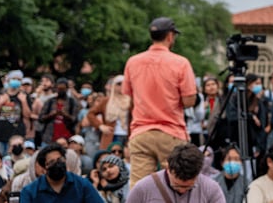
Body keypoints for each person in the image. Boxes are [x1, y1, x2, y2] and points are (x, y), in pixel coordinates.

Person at [122, 17, 198, 188]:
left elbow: (129, 97)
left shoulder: (133, 62)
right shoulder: (181, 63)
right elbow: (189, 101)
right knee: (178, 185)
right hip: (171, 131)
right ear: (170, 36)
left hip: (141, 131)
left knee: (139, 188)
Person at [126, 143, 224, 203]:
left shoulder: (211, 189)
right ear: (168, 167)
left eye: (189, 187)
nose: (182, 191)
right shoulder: (143, 188)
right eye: (176, 185)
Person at [20, 143, 103, 202]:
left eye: (60, 160)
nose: (57, 164)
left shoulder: (82, 185)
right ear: (44, 168)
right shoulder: (30, 191)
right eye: (52, 162)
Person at [0, 70, 32, 154]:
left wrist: (24, 102)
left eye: (18, 79)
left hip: (16, 135)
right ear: (8, 80)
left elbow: (27, 116)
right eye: (14, 78)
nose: (16, 81)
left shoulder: (24, 96)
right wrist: (0, 103)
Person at [87, 75, 131, 150]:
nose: (121, 86)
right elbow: (90, 114)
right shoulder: (106, 101)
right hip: (111, 136)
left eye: (124, 84)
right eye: (119, 84)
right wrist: (100, 126)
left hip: (129, 136)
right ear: (113, 86)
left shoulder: (131, 101)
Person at [39, 78, 80, 145]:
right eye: (59, 88)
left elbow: (75, 120)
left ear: (67, 89)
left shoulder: (72, 102)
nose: (61, 91)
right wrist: (51, 114)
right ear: (56, 89)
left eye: (63, 89)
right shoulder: (50, 101)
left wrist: (65, 114)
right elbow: (40, 118)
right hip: (49, 137)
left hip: (67, 139)